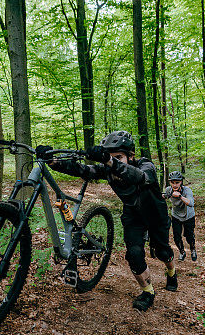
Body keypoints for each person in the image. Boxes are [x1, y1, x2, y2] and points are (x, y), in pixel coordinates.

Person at [36, 131, 177, 312]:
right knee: (134, 254)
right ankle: (148, 292)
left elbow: (140, 177)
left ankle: (171, 272)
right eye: (109, 156)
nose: (113, 160)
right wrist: (52, 161)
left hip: (156, 215)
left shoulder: (145, 164)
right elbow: (82, 170)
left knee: (162, 252)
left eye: (118, 156)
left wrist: (108, 160)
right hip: (133, 215)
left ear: (131, 155)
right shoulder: (108, 169)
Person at [164, 170, 197, 262]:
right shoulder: (168, 190)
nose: (175, 185)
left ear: (181, 182)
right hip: (176, 216)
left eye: (177, 183)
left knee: (189, 236)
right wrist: (170, 194)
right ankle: (182, 252)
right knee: (176, 236)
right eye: (172, 182)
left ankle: (193, 249)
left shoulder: (187, 190)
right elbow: (162, 196)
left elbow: (191, 203)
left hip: (188, 216)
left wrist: (180, 197)